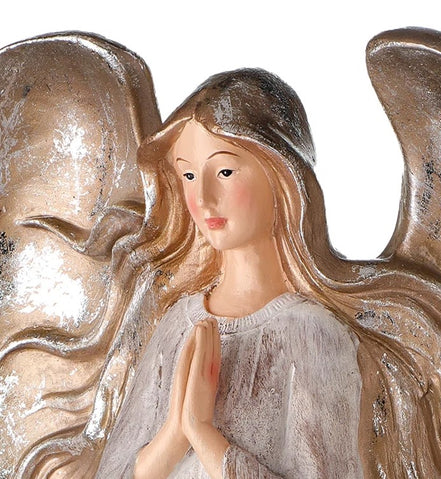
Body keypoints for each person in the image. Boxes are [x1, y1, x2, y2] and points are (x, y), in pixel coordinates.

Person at [95, 68, 363, 478]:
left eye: (224, 172)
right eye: (188, 175)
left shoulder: (314, 335)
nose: (202, 198)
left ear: (281, 175)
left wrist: (203, 434)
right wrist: (173, 434)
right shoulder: (175, 324)